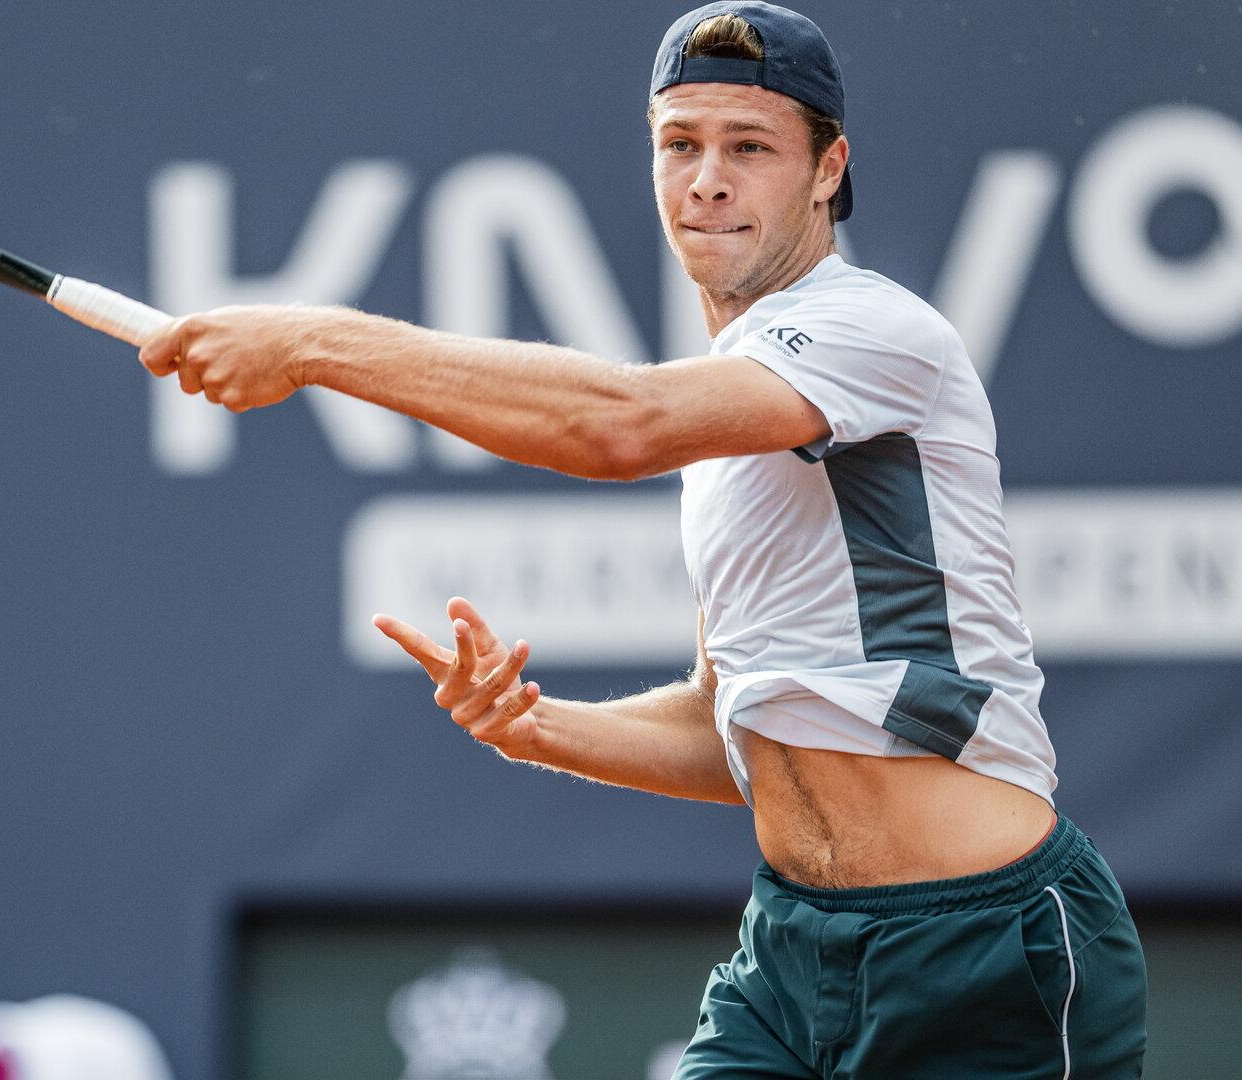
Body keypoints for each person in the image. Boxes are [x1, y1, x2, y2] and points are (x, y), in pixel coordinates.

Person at [136, 2, 1147, 1075]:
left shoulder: (874, 330)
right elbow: (738, 729)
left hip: (985, 953)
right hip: (795, 954)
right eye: (680, 144)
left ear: (826, 168)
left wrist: (311, 338)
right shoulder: (734, 411)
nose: (707, 178)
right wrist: (533, 726)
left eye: (748, 146)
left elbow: (617, 426)